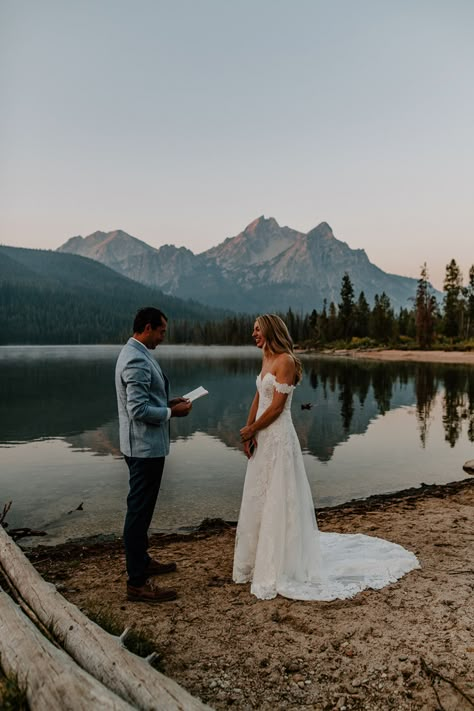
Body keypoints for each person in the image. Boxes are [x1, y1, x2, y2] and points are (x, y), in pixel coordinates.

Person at [233, 314, 419, 600]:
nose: (253, 334)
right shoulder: (266, 358)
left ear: (270, 331)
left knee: (280, 494)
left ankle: (283, 561)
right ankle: (259, 557)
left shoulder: (286, 361)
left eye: (257, 330)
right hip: (262, 436)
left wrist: (253, 428)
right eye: (253, 330)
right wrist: (249, 433)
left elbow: (278, 408)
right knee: (260, 493)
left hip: (279, 437)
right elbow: (259, 399)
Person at [115, 307, 192, 603]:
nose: (163, 337)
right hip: (144, 449)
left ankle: (142, 561)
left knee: (142, 510)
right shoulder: (135, 358)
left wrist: (168, 401)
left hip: (143, 447)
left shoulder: (135, 351)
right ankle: (136, 582)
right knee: (138, 512)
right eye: (161, 332)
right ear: (147, 328)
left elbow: (146, 399)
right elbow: (137, 410)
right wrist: (172, 412)